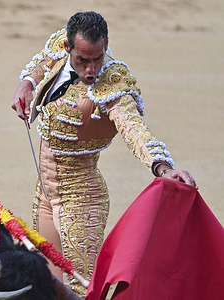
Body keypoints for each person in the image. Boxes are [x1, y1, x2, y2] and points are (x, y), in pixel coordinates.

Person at [11, 11, 196, 296]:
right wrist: (27, 84)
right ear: (68, 48)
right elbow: (42, 63)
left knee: (80, 289)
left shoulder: (113, 86)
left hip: (83, 200)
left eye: (98, 58)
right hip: (44, 196)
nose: (91, 69)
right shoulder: (62, 44)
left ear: (106, 45)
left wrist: (162, 167)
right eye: (83, 60)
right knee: (47, 284)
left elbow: (134, 130)